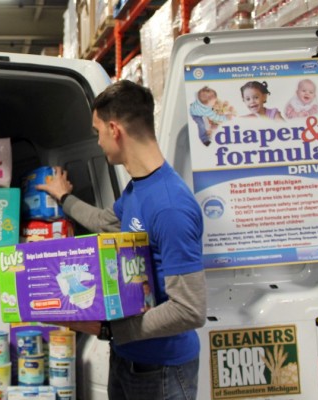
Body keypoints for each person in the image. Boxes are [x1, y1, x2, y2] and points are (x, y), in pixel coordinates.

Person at [36, 80, 207, 400]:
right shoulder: (138, 189)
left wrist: (107, 329)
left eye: (97, 131)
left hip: (163, 370)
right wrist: (64, 199)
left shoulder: (170, 205)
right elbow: (109, 224)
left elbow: (190, 309)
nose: (97, 141)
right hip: (128, 356)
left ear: (114, 130)